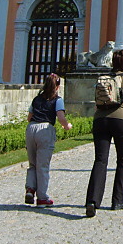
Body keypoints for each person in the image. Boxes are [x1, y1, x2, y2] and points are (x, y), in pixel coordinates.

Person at [85, 50, 123, 217]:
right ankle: (117, 200)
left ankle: (92, 201)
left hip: (100, 120)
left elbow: (97, 102)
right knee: (122, 160)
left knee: (100, 160)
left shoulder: (103, 78)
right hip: (122, 121)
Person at [25, 73, 72, 207]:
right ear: (57, 87)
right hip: (45, 129)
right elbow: (61, 117)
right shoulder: (57, 100)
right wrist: (67, 126)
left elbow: (29, 117)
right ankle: (42, 197)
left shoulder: (36, 99)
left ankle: (30, 188)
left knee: (32, 164)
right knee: (43, 166)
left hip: (31, 128)